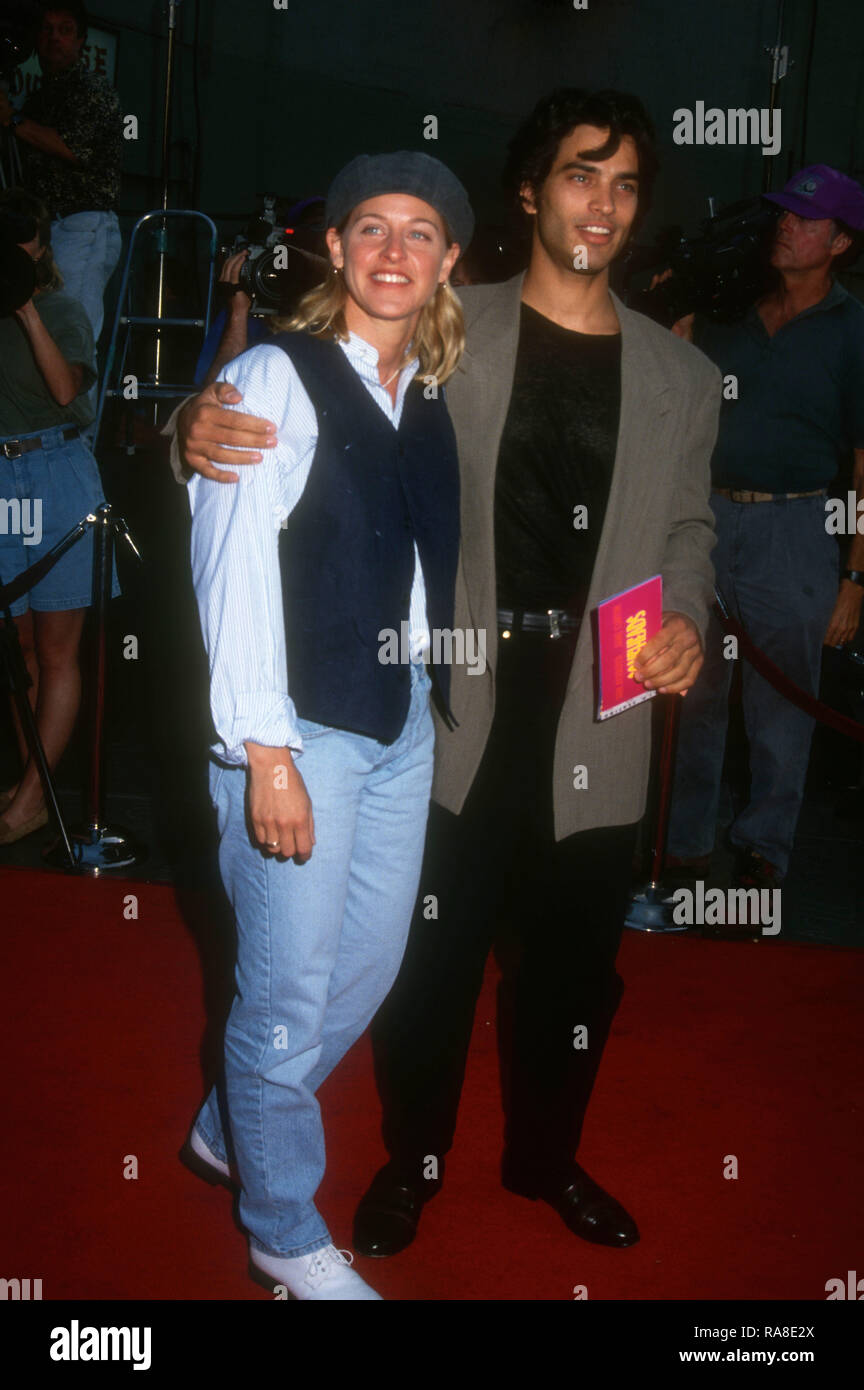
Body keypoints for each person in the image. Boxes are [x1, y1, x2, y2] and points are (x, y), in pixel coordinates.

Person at [169, 89, 720, 1264]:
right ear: (532, 192)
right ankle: (409, 1167)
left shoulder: (681, 372)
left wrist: (684, 616)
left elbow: (688, 531)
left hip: (598, 699)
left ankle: (547, 1160)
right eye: (582, 175)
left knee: (576, 967)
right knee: (422, 960)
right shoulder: (446, 325)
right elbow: (299, 386)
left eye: (626, 185)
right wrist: (185, 426)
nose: (603, 204)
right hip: (454, 697)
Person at [178, 151, 469, 1300]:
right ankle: (282, 1226)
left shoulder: (433, 389)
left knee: (369, 968)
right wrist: (265, 751)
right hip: (296, 729)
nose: (394, 250)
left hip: (401, 727)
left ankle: (223, 1121)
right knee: (286, 997)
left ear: (449, 260)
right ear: (337, 249)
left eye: (420, 232)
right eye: (371, 229)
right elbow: (231, 567)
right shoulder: (270, 374)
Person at [664, 165, 864, 894]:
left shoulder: (854, 331)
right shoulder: (733, 317)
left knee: (783, 708)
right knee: (694, 695)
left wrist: (855, 575)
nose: (786, 226)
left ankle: (761, 856)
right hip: (708, 522)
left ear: (840, 241)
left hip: (799, 526)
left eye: (807, 220)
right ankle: (680, 849)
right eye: (783, 215)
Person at [0, 187, 107, 844]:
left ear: (42, 249)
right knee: (20, 653)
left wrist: (25, 308)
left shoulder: (62, 310)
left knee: (59, 650)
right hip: (5, 481)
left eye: (23, 239)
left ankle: (32, 797)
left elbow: (65, 390)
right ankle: (31, 785)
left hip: (57, 475)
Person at [0, 2, 123, 347]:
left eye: (65, 30)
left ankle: (79, 401)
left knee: (72, 339)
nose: (55, 38)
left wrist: (13, 120)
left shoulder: (92, 89)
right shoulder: (39, 97)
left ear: (81, 39)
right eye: (47, 29)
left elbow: (74, 148)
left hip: (81, 226)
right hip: (45, 230)